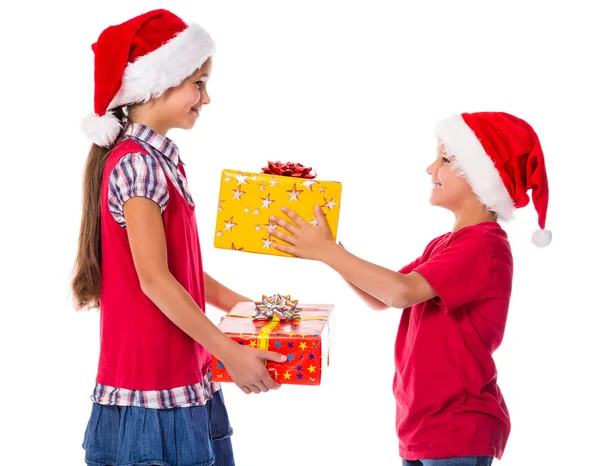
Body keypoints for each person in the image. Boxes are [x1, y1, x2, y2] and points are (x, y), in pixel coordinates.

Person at [269, 112, 551, 465]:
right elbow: (380, 297)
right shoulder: (447, 243)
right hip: (423, 425)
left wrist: (326, 250)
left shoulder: (483, 245)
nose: (431, 169)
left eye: (445, 159)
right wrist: (330, 251)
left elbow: (400, 292)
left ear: (483, 179)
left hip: (457, 426)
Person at [71, 9, 285, 466]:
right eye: (199, 83)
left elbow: (179, 271)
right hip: (152, 395)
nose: (205, 99)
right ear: (155, 83)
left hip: (184, 380)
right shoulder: (138, 163)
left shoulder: (161, 160)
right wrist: (230, 351)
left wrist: (246, 307)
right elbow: (155, 280)